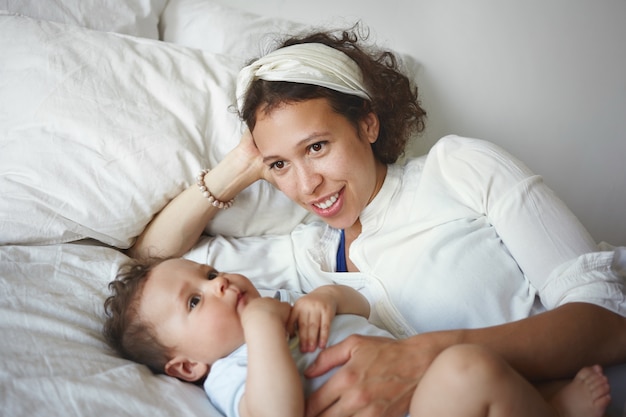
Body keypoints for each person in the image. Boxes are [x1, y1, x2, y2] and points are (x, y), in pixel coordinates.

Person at [129, 25, 626, 417]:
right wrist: (242, 164)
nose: (306, 185)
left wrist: (425, 355)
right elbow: (152, 258)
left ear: (367, 123)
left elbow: (610, 318)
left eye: (317, 147)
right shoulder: (305, 257)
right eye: (280, 165)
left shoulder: (457, 169)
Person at [103, 257, 611, 417]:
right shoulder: (233, 372)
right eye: (194, 302)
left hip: (421, 393)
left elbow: (361, 305)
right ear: (187, 367)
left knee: (470, 366)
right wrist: (261, 327)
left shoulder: (280, 298)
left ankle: (543, 405)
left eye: (210, 271)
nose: (217, 284)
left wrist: (326, 296)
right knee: (468, 368)